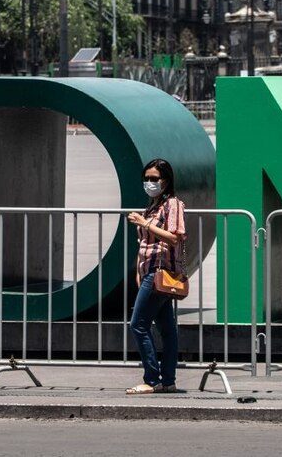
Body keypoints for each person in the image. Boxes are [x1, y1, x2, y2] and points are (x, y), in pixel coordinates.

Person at [125, 158, 186, 395]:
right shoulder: (152, 206)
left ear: (166, 180)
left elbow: (174, 237)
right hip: (149, 272)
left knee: (138, 324)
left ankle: (151, 379)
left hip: (161, 271)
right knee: (166, 329)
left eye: (154, 178)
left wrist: (145, 224)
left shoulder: (173, 205)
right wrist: (139, 270)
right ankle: (167, 381)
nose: (149, 183)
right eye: (146, 178)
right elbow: (143, 244)